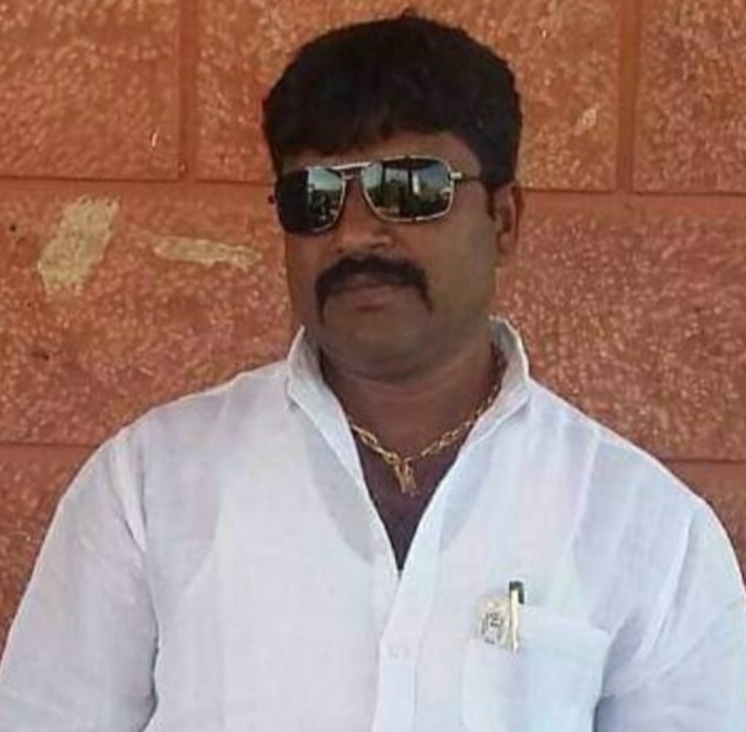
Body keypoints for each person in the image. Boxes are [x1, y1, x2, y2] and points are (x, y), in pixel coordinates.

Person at [0, 12, 744, 732]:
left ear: (504, 220)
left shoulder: (645, 527)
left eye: (410, 188)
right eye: (314, 197)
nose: (354, 234)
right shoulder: (151, 485)